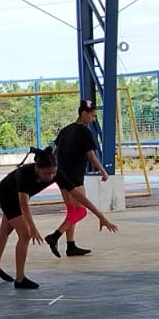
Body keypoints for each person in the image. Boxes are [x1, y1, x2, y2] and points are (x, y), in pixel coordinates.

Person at [44, 99, 119, 257]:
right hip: (75, 176)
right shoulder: (85, 132)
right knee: (80, 211)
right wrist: (103, 171)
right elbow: (91, 155)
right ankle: (55, 236)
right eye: (92, 116)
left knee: (71, 211)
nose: (93, 119)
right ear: (84, 114)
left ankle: (71, 245)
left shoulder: (65, 130)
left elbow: (55, 152)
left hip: (61, 175)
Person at [0, 146, 59, 290]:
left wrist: (99, 215)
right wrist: (32, 227)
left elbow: (75, 193)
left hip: (16, 197)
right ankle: (20, 279)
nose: (50, 177)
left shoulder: (56, 172)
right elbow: (23, 203)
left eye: (53, 173)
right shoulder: (24, 174)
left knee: (5, 229)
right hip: (7, 195)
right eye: (46, 173)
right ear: (37, 168)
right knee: (25, 233)